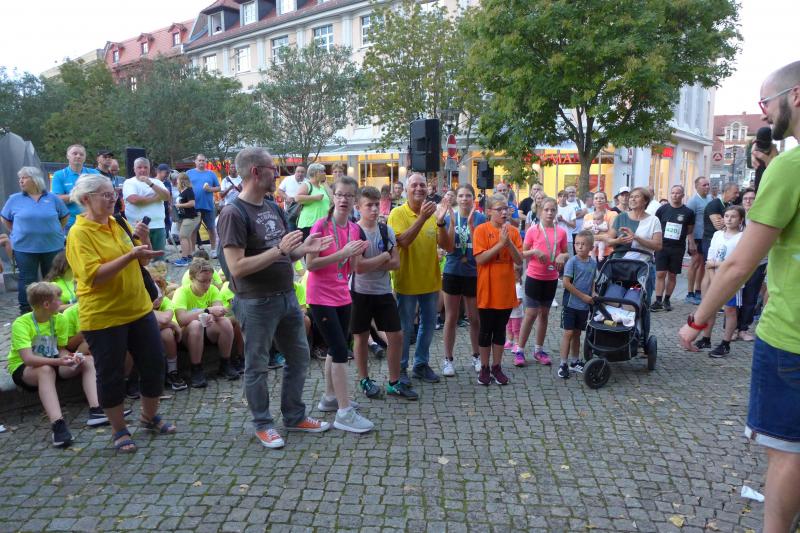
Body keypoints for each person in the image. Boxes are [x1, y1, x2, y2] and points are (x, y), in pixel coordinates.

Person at [682, 63, 800, 532]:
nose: (764, 114)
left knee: (788, 451)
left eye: (766, 103)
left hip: (791, 337)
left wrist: (698, 320)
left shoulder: (791, 167)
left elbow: (739, 263)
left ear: (796, 96)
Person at [218, 147, 333, 450]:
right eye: (273, 168)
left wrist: (304, 248)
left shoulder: (272, 207)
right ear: (256, 172)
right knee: (257, 366)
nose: (278, 174)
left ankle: (294, 416)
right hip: (255, 302)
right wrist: (280, 250)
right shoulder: (233, 213)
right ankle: (263, 424)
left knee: (299, 358)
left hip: (286, 297)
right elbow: (236, 267)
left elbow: (285, 253)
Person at [66, 173, 175, 453]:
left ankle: (149, 416)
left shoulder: (118, 222)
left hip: (138, 308)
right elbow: (94, 276)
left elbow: (140, 261)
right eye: (105, 194)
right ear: (86, 199)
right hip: (104, 316)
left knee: (154, 364)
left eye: (113, 193)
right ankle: (119, 430)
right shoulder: (79, 233)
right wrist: (130, 256)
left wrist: (144, 243)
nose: (112, 198)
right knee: (111, 374)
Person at [306, 177, 377, 432]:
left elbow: (353, 267)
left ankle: (330, 398)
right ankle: (344, 413)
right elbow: (310, 264)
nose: (344, 199)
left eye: (349, 195)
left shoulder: (355, 229)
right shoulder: (321, 225)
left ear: (354, 199)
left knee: (336, 347)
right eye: (340, 194)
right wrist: (343, 253)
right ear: (332, 197)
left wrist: (358, 254)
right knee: (339, 351)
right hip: (320, 296)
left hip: (342, 294)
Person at [7, 282, 116, 447]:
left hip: (54, 362)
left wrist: (70, 358)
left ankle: (96, 410)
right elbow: (28, 359)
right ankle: (58, 424)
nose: (61, 303)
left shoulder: (59, 319)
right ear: (46, 304)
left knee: (88, 360)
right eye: (58, 299)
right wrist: (58, 361)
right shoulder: (21, 324)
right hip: (26, 370)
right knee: (45, 370)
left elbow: (60, 349)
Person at [350, 186, 415, 400]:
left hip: (383, 291)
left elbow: (396, 263)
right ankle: (364, 379)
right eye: (369, 205)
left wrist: (374, 262)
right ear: (358, 207)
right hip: (360, 291)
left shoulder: (386, 230)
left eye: (377, 204)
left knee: (396, 336)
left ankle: (394, 382)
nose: (374, 209)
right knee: (361, 337)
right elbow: (358, 267)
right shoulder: (354, 231)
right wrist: (383, 257)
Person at [388, 172, 452, 385]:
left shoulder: (434, 214)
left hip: (430, 281)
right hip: (406, 281)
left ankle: (421, 364)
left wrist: (440, 223)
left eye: (422, 185)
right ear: (406, 189)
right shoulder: (397, 213)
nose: (418, 188)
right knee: (405, 327)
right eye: (414, 185)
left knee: (429, 325)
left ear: (428, 189)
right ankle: (401, 368)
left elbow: (448, 246)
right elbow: (403, 242)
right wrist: (424, 217)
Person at [2, 166, 69, 314]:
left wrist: (53, 230)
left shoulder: (53, 198)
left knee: (52, 279)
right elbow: (5, 218)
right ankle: (26, 311)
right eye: (20, 178)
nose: (21, 181)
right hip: (24, 248)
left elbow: (64, 217)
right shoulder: (14, 199)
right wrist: (17, 231)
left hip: (52, 246)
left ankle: (52, 309)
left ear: (35, 179)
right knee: (27, 280)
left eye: (24, 177)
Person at [472, 193, 523, 385]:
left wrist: (508, 243)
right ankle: (484, 367)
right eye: (499, 209)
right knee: (486, 330)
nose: (504, 212)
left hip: (505, 289)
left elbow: (519, 260)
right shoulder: (481, 230)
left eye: (506, 209)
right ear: (489, 211)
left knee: (500, 330)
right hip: (487, 289)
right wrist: (500, 244)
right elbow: (480, 259)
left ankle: (497, 366)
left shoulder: (513, 232)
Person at [516, 197, 569, 366]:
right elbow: (521, 253)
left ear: (556, 212)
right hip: (534, 277)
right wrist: (535, 251)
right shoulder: (533, 230)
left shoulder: (561, 232)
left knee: (544, 314)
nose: (549, 213)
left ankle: (538, 350)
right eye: (546, 210)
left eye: (553, 210)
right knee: (531, 314)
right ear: (540, 211)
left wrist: (562, 256)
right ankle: (519, 350)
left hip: (551, 279)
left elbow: (566, 253)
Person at [172, 258, 239, 387]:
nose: (207, 284)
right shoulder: (182, 292)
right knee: (195, 325)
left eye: (209, 280)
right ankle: (196, 368)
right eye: (202, 281)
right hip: (185, 335)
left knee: (225, 322)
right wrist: (207, 310)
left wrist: (217, 313)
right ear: (192, 278)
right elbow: (181, 319)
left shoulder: (212, 289)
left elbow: (218, 310)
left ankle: (225, 363)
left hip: (207, 331)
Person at [440, 184, 484, 375]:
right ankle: (448, 359)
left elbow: (480, 246)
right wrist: (450, 223)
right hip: (453, 270)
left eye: (468, 196)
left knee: (474, 318)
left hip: (473, 272)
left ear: (473, 198)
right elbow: (449, 247)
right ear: (456, 199)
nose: (464, 199)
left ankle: (477, 356)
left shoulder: (481, 218)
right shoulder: (450, 217)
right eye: (461, 196)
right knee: (451, 317)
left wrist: (472, 226)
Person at [692, 205, 745, 356]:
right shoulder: (717, 235)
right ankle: (706, 338)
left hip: (731, 280)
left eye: (733, 216)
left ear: (741, 219)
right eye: (726, 216)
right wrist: (713, 277)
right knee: (710, 307)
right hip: (713, 277)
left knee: (730, 310)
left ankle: (725, 343)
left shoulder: (742, 238)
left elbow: (737, 261)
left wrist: (716, 264)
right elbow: (709, 259)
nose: (729, 219)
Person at [607, 187, 662, 312]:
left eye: (636, 196)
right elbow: (609, 241)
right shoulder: (621, 217)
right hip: (619, 266)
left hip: (642, 268)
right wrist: (618, 241)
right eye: (631, 197)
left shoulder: (653, 220)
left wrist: (636, 237)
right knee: (612, 301)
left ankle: (640, 324)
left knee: (637, 305)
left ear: (645, 201)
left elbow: (658, 246)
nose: (632, 199)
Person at [558, 230, 597, 379]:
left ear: (591, 247)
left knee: (577, 333)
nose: (579, 247)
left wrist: (593, 293)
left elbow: (592, 281)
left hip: (583, 307)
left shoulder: (593, 263)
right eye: (577, 244)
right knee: (568, 333)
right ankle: (563, 364)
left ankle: (574, 361)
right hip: (570, 304)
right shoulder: (572, 262)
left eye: (583, 244)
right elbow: (566, 283)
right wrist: (583, 297)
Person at [651, 185, 695, 312]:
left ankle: (667, 299)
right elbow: (656, 225)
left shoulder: (688, 212)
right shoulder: (662, 209)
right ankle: (658, 300)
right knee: (660, 273)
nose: (675, 195)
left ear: (683, 195)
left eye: (678, 193)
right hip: (662, 246)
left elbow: (689, 229)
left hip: (677, 247)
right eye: (673, 193)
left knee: (672, 275)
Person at [146, 269, 187, 391]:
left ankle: (172, 371)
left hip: (160, 338)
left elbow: (165, 319)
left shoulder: (166, 302)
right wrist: (172, 325)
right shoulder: (140, 303)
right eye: (153, 296)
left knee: (167, 333)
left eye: (160, 296)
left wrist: (171, 325)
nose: (157, 300)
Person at [122, 158, 171, 253]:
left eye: (145, 167)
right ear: (134, 169)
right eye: (139, 167)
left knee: (159, 257)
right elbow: (134, 199)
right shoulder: (129, 182)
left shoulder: (157, 182)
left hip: (158, 226)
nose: (143, 170)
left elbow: (166, 197)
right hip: (138, 227)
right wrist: (155, 198)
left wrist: (150, 183)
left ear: (149, 169)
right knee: (142, 257)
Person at [736, 188, 766, 341]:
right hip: (738, 262)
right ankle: (731, 328)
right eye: (745, 198)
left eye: (751, 198)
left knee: (750, 296)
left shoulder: (762, 218)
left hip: (758, 263)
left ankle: (743, 329)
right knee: (734, 296)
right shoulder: (736, 216)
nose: (748, 201)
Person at [50, 144, 100, 232]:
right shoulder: (59, 175)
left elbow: (101, 194)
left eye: (81, 154)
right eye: (75, 153)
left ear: (85, 158)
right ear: (67, 156)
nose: (78, 156)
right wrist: (80, 195)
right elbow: (57, 199)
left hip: (92, 221)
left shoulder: (94, 173)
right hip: (70, 223)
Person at [186, 154, 221, 258]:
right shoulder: (189, 173)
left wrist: (210, 189)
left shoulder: (211, 173)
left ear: (206, 162)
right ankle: (193, 251)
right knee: (193, 230)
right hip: (194, 206)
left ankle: (213, 250)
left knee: (211, 228)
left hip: (208, 206)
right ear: (195, 161)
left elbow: (218, 187)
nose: (201, 162)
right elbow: (182, 186)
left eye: (203, 160)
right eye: (199, 160)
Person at [701, 182, 740, 273]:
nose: (738, 195)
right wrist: (731, 223)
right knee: (710, 271)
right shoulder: (714, 204)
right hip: (710, 241)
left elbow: (728, 225)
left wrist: (725, 222)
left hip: (722, 242)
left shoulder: (729, 205)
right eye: (735, 192)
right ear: (727, 191)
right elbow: (718, 226)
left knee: (720, 270)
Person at [685, 176, 712, 304]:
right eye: (704, 185)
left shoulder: (710, 198)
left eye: (708, 184)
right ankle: (689, 293)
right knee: (694, 264)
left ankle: (698, 290)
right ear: (697, 187)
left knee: (702, 265)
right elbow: (688, 223)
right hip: (696, 237)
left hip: (706, 237)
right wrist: (690, 241)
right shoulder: (693, 201)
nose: (707, 187)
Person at [295, 163, 332, 240]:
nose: (324, 173)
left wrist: (325, 183)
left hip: (323, 224)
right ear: (316, 173)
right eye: (322, 171)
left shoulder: (322, 187)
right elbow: (297, 198)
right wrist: (315, 198)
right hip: (309, 224)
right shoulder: (307, 184)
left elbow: (332, 199)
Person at [173, 173, 201, 267]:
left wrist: (179, 205)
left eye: (178, 179)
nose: (176, 181)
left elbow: (192, 203)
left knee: (183, 236)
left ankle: (184, 258)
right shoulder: (182, 191)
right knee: (186, 236)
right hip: (185, 217)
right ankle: (189, 257)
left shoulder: (189, 190)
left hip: (191, 217)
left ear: (182, 181)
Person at [505, 266, 524, 355]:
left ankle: (517, 344)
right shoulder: (509, 285)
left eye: (514, 273)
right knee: (509, 327)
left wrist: (510, 304)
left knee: (516, 329)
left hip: (516, 313)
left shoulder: (518, 287)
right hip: (509, 312)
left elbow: (519, 300)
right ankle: (510, 341)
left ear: (518, 275)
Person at [556, 190, 577, 254]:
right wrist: (556, 220)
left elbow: (574, 225)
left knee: (569, 257)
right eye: (560, 196)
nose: (562, 198)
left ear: (567, 198)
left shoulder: (571, 208)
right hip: (555, 238)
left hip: (568, 238)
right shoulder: (554, 208)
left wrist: (563, 220)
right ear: (558, 198)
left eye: (564, 196)